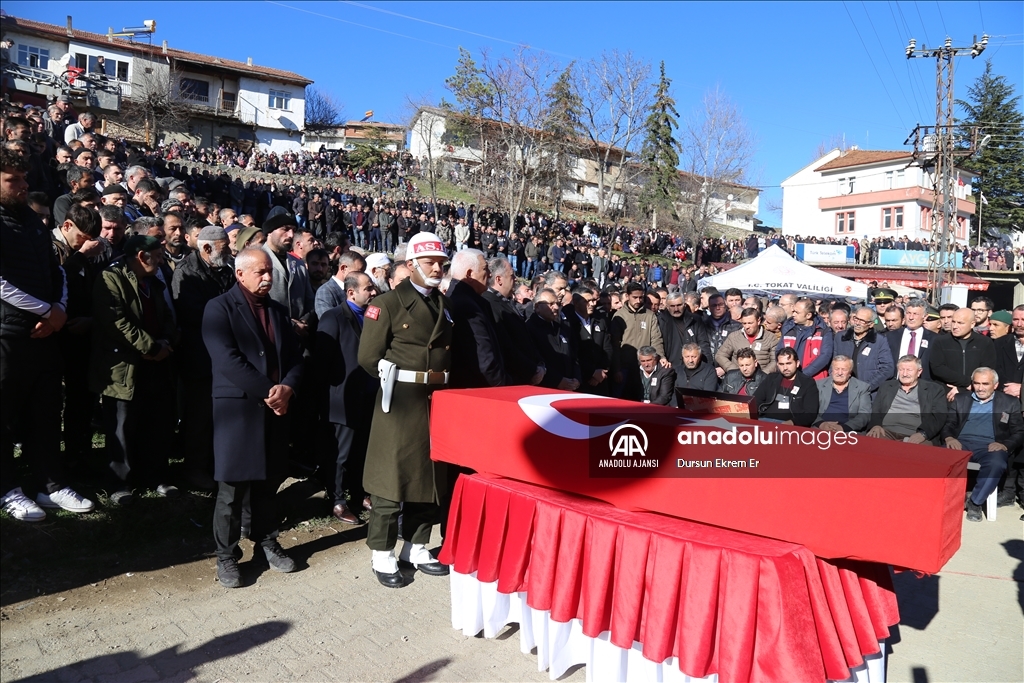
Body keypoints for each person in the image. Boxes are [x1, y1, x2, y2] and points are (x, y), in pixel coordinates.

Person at [203, 248, 305, 588]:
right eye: (260, 272)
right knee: (231, 489)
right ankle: (226, 555)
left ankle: (266, 541)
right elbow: (227, 359)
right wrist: (269, 391)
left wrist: (288, 387)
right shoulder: (218, 308)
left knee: (268, 483)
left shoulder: (277, 311)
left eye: (270, 273)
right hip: (239, 411)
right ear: (240, 274)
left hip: (276, 409)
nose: (267, 277)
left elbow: (295, 357)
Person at [1, 149, 93, 522]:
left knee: (45, 412)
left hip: (45, 334)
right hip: (7, 334)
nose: (24, 186)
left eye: (24, 179)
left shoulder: (32, 222)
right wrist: (46, 311)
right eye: (13, 180)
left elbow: (57, 274)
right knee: (4, 416)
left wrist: (59, 310)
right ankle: (7, 487)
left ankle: (49, 484)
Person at [358, 232, 453, 588]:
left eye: (442, 263)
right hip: (399, 402)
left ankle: (415, 546)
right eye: (430, 263)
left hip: (435, 400)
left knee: (428, 478)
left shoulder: (442, 305)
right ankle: (381, 552)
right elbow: (368, 357)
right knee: (390, 479)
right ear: (410, 265)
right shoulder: (387, 304)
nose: (437, 269)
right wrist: (394, 381)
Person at [91, 235, 179, 504]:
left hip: (157, 361)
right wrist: (151, 348)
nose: (163, 260)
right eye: (158, 255)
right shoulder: (110, 278)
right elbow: (116, 322)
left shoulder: (154, 280)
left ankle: (156, 475)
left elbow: (165, 315)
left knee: (157, 421)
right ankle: (120, 484)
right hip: (124, 365)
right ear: (142, 257)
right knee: (122, 424)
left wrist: (166, 342)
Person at [171, 226, 235, 490]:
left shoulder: (224, 270)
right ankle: (195, 469)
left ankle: (214, 464)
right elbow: (193, 313)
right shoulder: (186, 272)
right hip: (198, 355)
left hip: (221, 354)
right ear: (206, 248)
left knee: (218, 416)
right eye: (224, 248)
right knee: (199, 416)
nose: (229, 252)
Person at [316, 272, 377, 526]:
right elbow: (322, 361)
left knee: (362, 449)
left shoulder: (373, 315)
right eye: (368, 288)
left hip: (368, 395)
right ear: (351, 292)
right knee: (340, 453)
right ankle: (338, 499)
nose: (373, 292)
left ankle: (359, 493)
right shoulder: (334, 317)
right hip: (342, 397)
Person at [942, 367, 1023, 522]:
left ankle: (975, 503)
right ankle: (941, 499)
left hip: (990, 446)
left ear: (995, 385)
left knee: (996, 464)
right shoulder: (961, 399)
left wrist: (1005, 445)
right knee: (938, 458)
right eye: (976, 383)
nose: (980, 388)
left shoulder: (1009, 403)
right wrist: (949, 438)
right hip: (961, 443)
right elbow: (948, 425)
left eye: (985, 384)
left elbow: (1019, 431)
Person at [447, 249, 507, 388]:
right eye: (485, 269)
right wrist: (503, 385)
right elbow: (485, 360)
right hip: (478, 390)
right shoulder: (467, 306)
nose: (489, 274)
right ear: (469, 274)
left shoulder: (465, 300)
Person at [865, 356, 948, 445]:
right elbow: (876, 409)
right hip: (886, 432)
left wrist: (923, 434)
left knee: (919, 452)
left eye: (909, 370)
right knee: (871, 442)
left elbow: (938, 416)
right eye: (901, 370)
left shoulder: (934, 390)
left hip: (915, 434)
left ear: (919, 372)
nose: (904, 374)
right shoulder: (886, 386)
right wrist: (876, 425)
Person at [261, 212, 315, 342]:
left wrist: (304, 321)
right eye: (285, 229)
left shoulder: (299, 264)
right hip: (270, 336)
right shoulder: (256, 261)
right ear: (270, 231)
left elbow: (309, 300)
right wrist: (291, 324)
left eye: (293, 230)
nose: (291, 235)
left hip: (299, 340)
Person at [612, 282, 667, 401]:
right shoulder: (619, 316)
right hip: (624, 366)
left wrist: (661, 357)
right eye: (635, 297)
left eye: (641, 297)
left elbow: (656, 338)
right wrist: (616, 369)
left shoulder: (650, 315)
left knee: (643, 399)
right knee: (620, 399)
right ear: (627, 296)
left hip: (644, 366)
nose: (638, 300)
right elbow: (615, 345)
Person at [929, 308, 997, 401]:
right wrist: (966, 382)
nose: (955, 326)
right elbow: (937, 368)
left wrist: (964, 387)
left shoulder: (984, 342)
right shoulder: (941, 341)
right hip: (946, 394)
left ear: (972, 324)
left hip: (974, 394)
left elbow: (987, 368)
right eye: (953, 322)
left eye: (960, 323)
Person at [527, 288, 581, 391]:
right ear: (537, 307)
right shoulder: (530, 328)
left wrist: (577, 378)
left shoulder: (561, 327)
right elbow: (537, 360)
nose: (556, 307)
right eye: (551, 304)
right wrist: (558, 381)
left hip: (570, 387)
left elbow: (573, 354)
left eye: (557, 303)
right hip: (546, 389)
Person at [832, 306, 894, 393]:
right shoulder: (841, 337)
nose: (857, 323)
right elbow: (833, 363)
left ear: (871, 324)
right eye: (856, 319)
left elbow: (887, 368)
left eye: (862, 321)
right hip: (842, 390)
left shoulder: (879, 341)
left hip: (867, 392)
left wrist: (866, 387)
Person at [753, 347, 819, 427]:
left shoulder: (807, 383)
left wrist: (793, 422)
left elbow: (810, 413)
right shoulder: (771, 379)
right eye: (781, 364)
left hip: (792, 425)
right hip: (766, 420)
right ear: (777, 365)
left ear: (797, 363)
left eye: (788, 363)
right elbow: (755, 400)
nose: (785, 368)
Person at [569, 286, 613, 395]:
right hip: (581, 381)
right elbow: (573, 353)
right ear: (575, 302)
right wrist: (592, 373)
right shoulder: (569, 324)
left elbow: (607, 348)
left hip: (601, 381)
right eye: (587, 301)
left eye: (593, 300)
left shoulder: (600, 321)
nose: (592, 304)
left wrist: (602, 371)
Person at [777, 298, 832, 380]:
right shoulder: (788, 329)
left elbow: (825, 357)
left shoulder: (824, 331)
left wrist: (803, 375)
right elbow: (779, 352)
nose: (793, 315)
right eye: (793, 311)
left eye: (797, 312)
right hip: (789, 378)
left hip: (814, 380)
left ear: (808, 315)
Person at [813, 355, 871, 433]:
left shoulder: (862, 388)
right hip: (820, 428)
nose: (840, 373)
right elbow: (809, 410)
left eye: (844, 369)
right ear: (831, 370)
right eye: (836, 369)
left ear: (850, 372)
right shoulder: (818, 385)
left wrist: (844, 427)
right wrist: (822, 424)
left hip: (848, 431)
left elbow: (865, 415)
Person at [884, 298, 936, 380]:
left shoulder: (934, 339)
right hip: (895, 385)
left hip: (922, 387)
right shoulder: (890, 337)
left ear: (925, 317)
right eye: (908, 313)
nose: (911, 317)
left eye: (915, 314)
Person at [715, 307, 779, 374]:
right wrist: (734, 371)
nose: (747, 327)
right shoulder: (734, 337)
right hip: (738, 379)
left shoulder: (770, 338)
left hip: (761, 379)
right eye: (744, 323)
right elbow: (720, 355)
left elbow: (775, 361)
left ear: (758, 321)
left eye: (750, 323)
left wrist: (763, 375)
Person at [314, 251, 365, 318]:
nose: (361, 276)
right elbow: (328, 321)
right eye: (359, 272)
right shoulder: (326, 291)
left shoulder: (357, 290)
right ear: (343, 268)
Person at [994, 305, 1023, 399]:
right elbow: (995, 368)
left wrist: (1022, 389)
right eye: (1015, 319)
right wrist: (1006, 387)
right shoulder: (999, 343)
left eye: (1023, 319)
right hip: (1004, 398)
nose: (1019, 324)